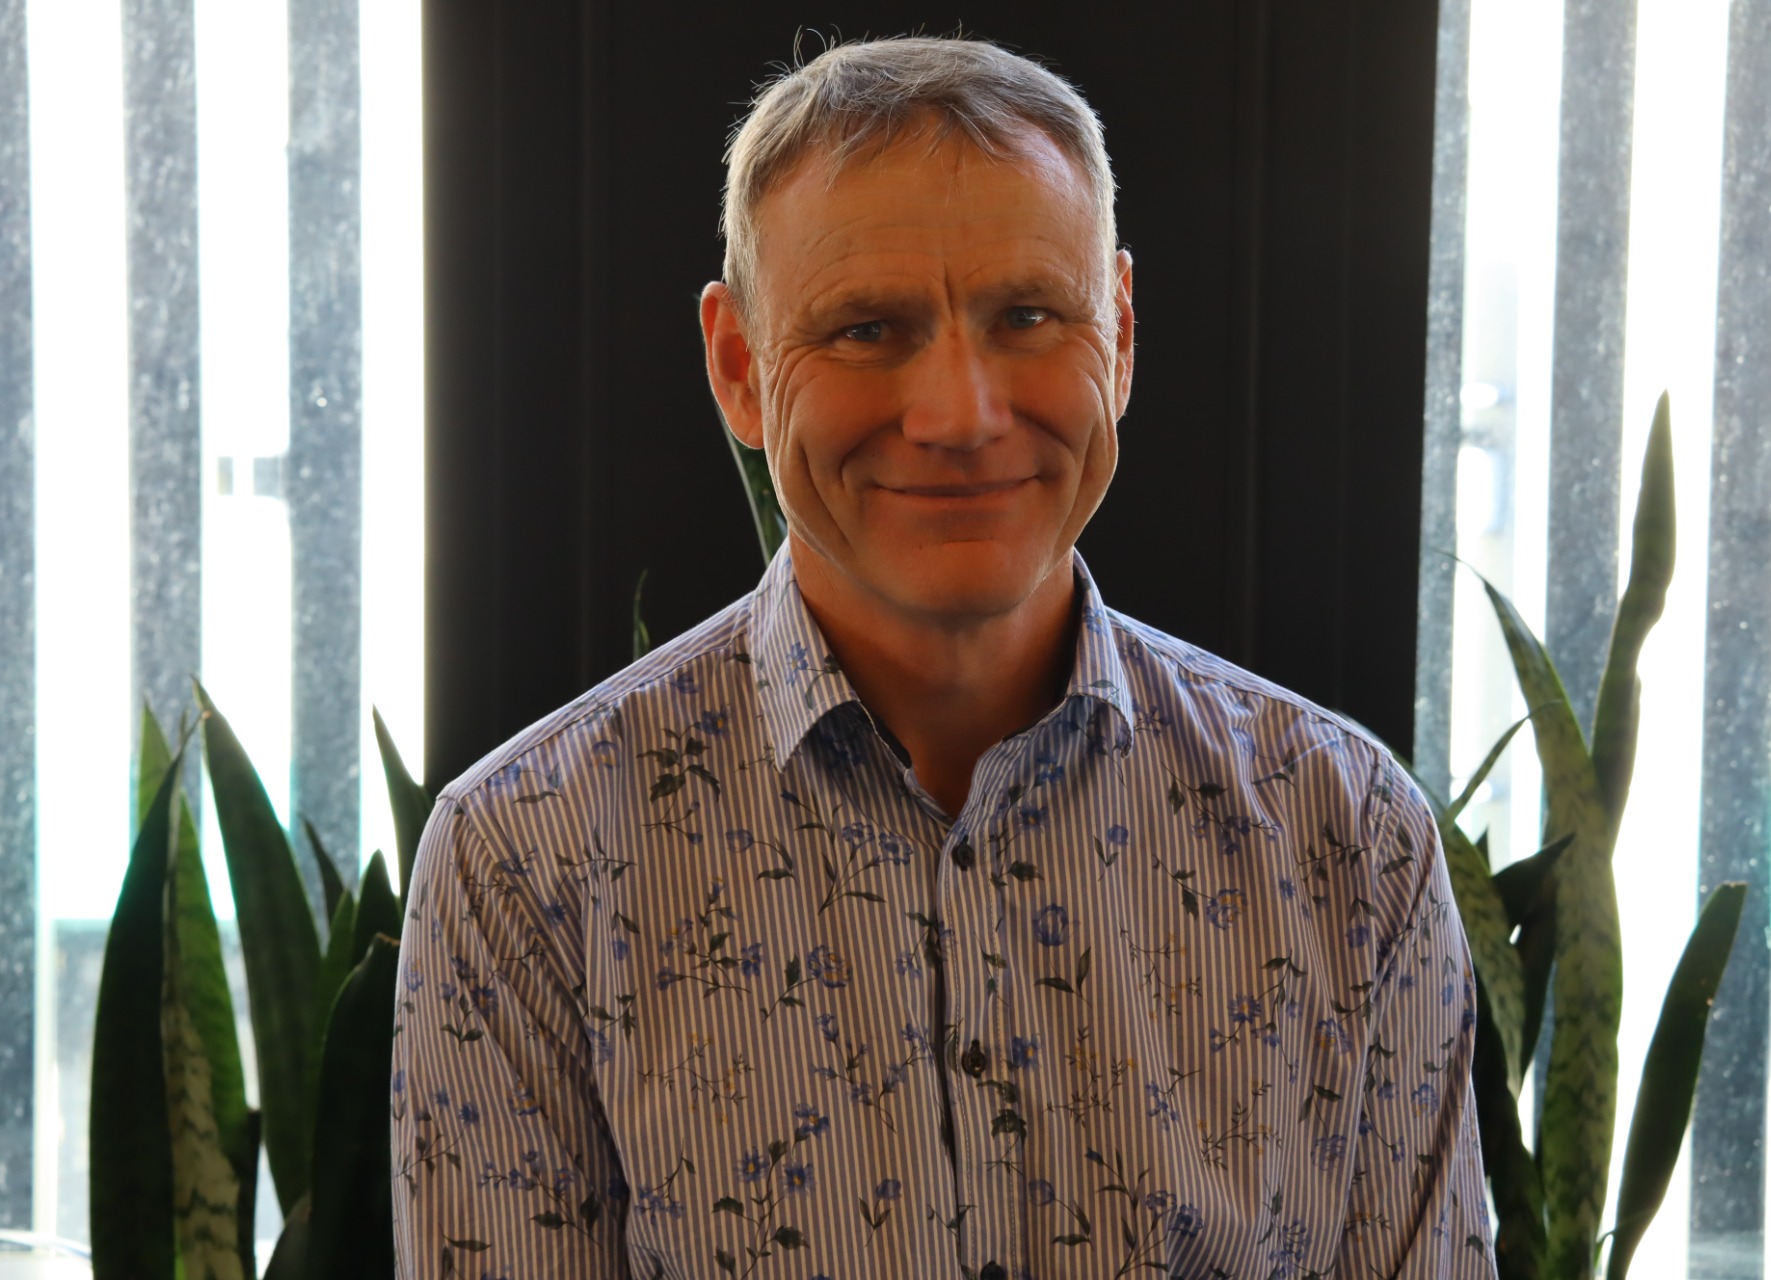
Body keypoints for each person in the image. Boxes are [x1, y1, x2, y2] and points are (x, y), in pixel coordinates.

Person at [392, 35, 1491, 1280]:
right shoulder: (526, 861)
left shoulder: (1349, 836)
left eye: (1029, 316)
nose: (961, 414)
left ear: (1122, 335)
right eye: (866, 328)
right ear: (739, 367)